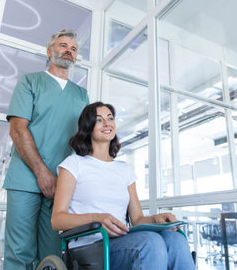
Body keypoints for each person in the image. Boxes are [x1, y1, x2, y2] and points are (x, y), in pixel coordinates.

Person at [51, 102, 195, 270]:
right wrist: (97, 218)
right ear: (88, 127)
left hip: (122, 241)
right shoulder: (74, 164)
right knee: (150, 242)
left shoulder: (124, 170)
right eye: (99, 120)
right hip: (89, 247)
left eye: (110, 118)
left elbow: (137, 219)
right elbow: (57, 220)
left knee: (176, 239)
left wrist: (157, 218)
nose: (107, 123)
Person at [3, 29, 89, 269]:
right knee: (19, 252)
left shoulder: (81, 94)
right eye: (63, 46)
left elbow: (84, 139)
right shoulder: (30, 82)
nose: (68, 51)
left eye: (73, 49)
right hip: (26, 179)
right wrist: (42, 172)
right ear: (50, 52)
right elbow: (18, 129)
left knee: (53, 253)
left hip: (61, 184)